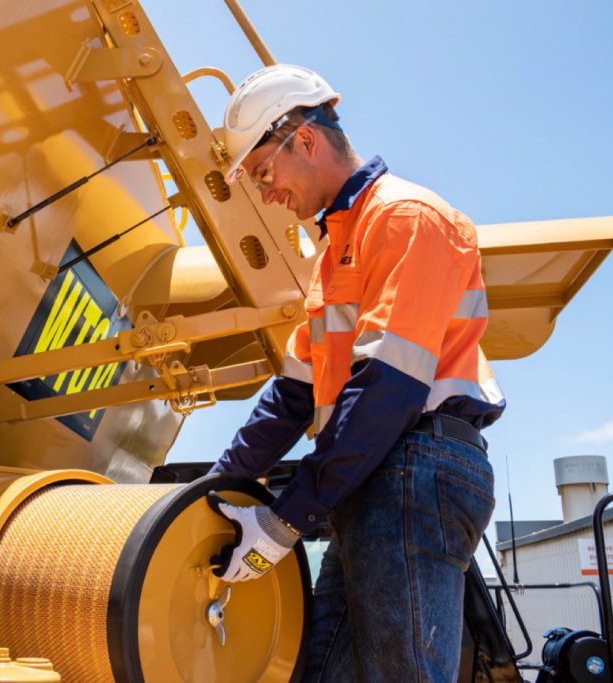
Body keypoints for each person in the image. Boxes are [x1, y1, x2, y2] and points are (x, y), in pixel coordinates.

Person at [207, 65, 505, 682]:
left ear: (306, 140)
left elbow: (387, 391)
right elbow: (292, 396)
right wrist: (214, 489)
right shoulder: (335, 251)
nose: (265, 194)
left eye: (263, 173)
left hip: (416, 466)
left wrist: (286, 519)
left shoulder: (406, 219)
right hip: (375, 475)